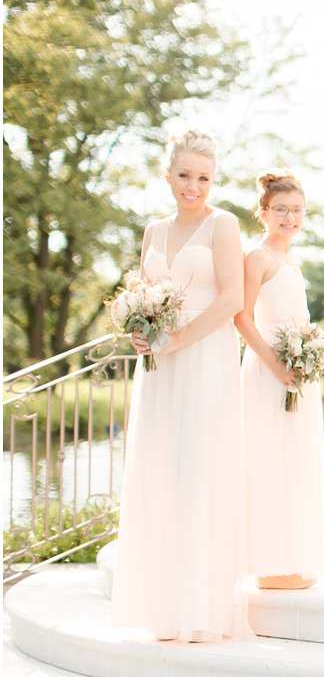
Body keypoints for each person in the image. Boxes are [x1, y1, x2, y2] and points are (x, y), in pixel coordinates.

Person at [112, 129, 247, 641]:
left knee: (198, 474)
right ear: (167, 175)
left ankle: (202, 610)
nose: (194, 187)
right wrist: (141, 331)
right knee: (161, 473)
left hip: (204, 358)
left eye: (204, 178)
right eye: (185, 176)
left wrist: (179, 339)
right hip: (159, 367)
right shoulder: (152, 231)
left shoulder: (223, 225)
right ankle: (163, 608)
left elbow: (232, 299)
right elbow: (145, 292)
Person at [233, 169, 324, 590]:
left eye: (297, 211)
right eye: (281, 210)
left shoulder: (292, 259)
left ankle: (290, 558)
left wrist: (308, 355)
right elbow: (241, 316)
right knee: (270, 461)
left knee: (294, 462)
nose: (290, 218)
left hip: (297, 372)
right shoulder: (257, 257)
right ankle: (269, 567)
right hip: (269, 369)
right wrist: (275, 363)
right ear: (264, 213)